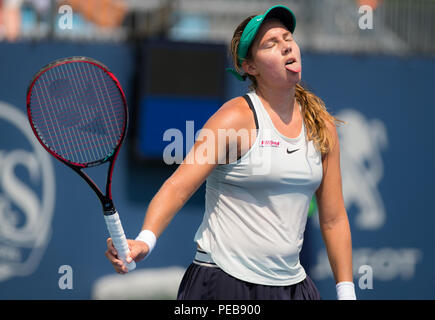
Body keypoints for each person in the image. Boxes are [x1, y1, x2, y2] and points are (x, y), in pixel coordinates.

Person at [105, 4, 356, 300]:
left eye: (288, 38)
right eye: (271, 44)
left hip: (292, 286)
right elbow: (178, 187)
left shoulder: (322, 125)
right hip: (222, 283)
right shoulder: (233, 118)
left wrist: (347, 292)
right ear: (250, 67)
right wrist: (145, 241)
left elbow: (334, 218)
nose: (286, 47)